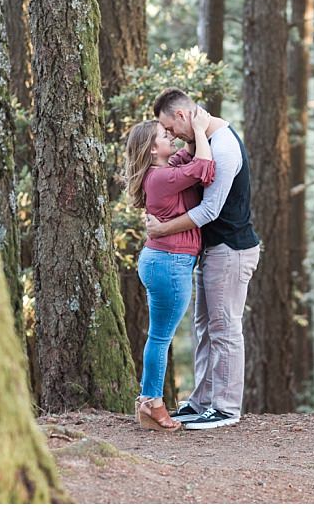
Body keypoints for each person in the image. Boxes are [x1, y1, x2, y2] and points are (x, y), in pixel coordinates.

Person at [146, 88, 260, 430]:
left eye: (171, 128)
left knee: (225, 327)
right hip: (212, 251)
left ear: (183, 116)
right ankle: (202, 401)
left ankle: (225, 408)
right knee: (205, 328)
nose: (172, 137)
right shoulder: (202, 141)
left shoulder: (223, 147)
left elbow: (209, 210)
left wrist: (162, 229)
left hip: (231, 248)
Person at [124, 107, 214, 431]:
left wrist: (191, 135)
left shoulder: (162, 171)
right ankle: (153, 404)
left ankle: (148, 401)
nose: (171, 136)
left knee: (157, 336)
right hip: (169, 263)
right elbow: (204, 168)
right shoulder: (161, 178)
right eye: (164, 135)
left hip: (162, 261)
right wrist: (202, 129)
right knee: (160, 338)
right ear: (152, 149)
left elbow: (187, 160)